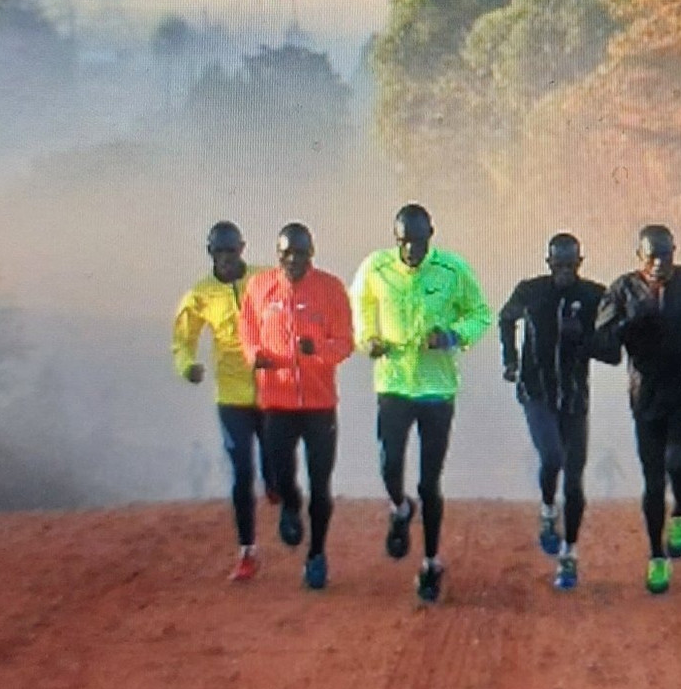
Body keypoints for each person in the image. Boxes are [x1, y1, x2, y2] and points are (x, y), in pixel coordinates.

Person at [352, 202, 492, 602]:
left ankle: (431, 562)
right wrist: (369, 340)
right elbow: (359, 306)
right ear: (395, 239)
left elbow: (480, 314)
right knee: (389, 464)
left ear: (431, 235)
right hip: (394, 384)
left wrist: (451, 335)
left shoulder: (452, 269)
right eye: (404, 243)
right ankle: (398, 508)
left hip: (436, 389)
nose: (411, 250)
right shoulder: (375, 268)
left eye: (418, 241)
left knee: (430, 481)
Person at [593, 224, 681, 595]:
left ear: (675, 252)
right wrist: (626, 325)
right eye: (651, 256)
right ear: (639, 257)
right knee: (653, 482)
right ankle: (657, 557)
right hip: (646, 395)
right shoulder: (622, 289)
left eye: (665, 255)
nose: (659, 264)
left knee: (677, 462)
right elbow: (604, 348)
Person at [238, 222, 354, 590]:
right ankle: (290, 504)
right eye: (286, 254)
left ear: (311, 255)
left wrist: (317, 351)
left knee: (321, 484)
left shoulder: (331, 289)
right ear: (278, 256)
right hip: (277, 400)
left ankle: (317, 555)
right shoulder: (259, 288)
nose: (293, 261)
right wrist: (255, 356)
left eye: (300, 254)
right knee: (280, 474)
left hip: (319, 404)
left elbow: (345, 342)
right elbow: (248, 333)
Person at [498, 232, 605, 591]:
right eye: (557, 265)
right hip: (537, 392)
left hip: (575, 398)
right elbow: (505, 318)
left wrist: (584, 339)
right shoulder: (531, 291)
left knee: (574, 479)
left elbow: (612, 350)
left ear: (580, 263)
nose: (563, 272)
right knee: (553, 457)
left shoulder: (593, 296)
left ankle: (569, 556)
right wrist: (510, 360)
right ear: (548, 264)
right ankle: (547, 511)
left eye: (570, 265)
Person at [170, 220, 274, 582]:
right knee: (241, 471)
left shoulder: (266, 279)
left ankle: (276, 484)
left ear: (242, 249)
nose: (227, 259)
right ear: (210, 254)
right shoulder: (200, 294)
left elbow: (295, 310)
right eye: (220, 253)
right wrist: (187, 367)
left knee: (275, 466)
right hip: (230, 396)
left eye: (232, 251)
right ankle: (247, 551)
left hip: (272, 388)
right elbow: (183, 338)